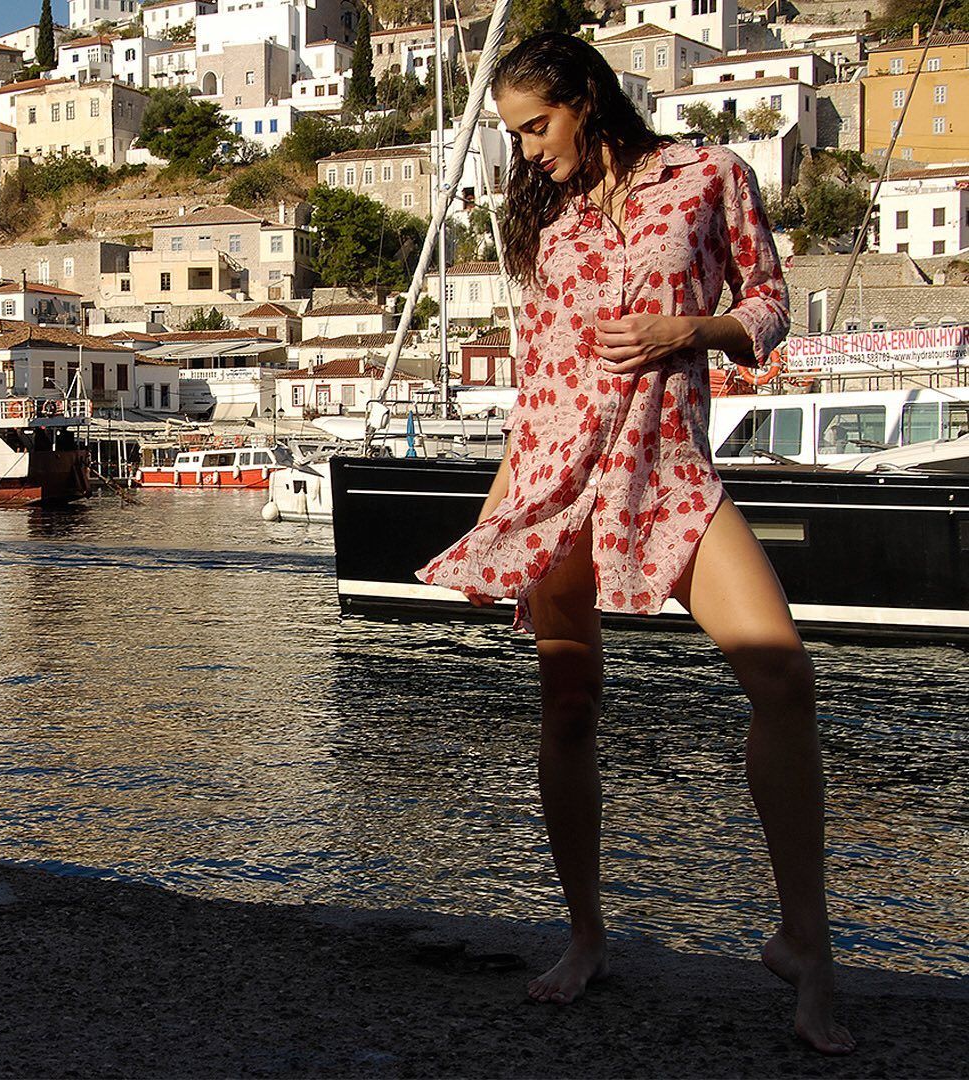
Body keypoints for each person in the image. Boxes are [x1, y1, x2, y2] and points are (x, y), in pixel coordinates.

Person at [416, 32, 855, 1055]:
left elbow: (770, 309)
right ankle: (585, 933)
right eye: (515, 134)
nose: (526, 151)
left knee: (784, 680)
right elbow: (540, 388)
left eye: (536, 126)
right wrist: (498, 517)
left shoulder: (711, 175)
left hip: (667, 474)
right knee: (569, 705)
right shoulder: (551, 227)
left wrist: (685, 334)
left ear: (586, 99)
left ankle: (806, 941)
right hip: (555, 481)